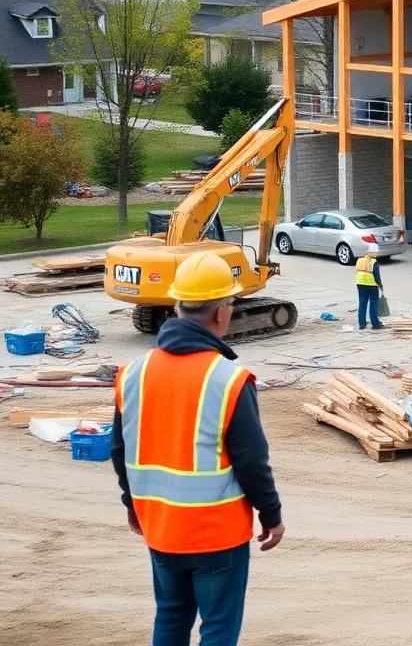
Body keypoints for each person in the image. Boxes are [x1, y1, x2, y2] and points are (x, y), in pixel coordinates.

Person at [111, 251, 284, 646]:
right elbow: (253, 463)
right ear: (223, 311)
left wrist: (132, 506)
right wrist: (271, 515)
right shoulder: (229, 380)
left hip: (161, 528)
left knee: (171, 617)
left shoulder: (132, 373)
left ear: (175, 306)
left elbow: (119, 452)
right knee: (218, 627)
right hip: (217, 535)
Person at [355, 243, 385, 330]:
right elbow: (376, 275)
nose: (376, 254)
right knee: (373, 303)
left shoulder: (360, 260)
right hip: (371, 284)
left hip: (360, 282)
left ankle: (362, 323)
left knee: (362, 302)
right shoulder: (374, 262)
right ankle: (375, 323)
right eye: (375, 252)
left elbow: (357, 270)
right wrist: (380, 285)